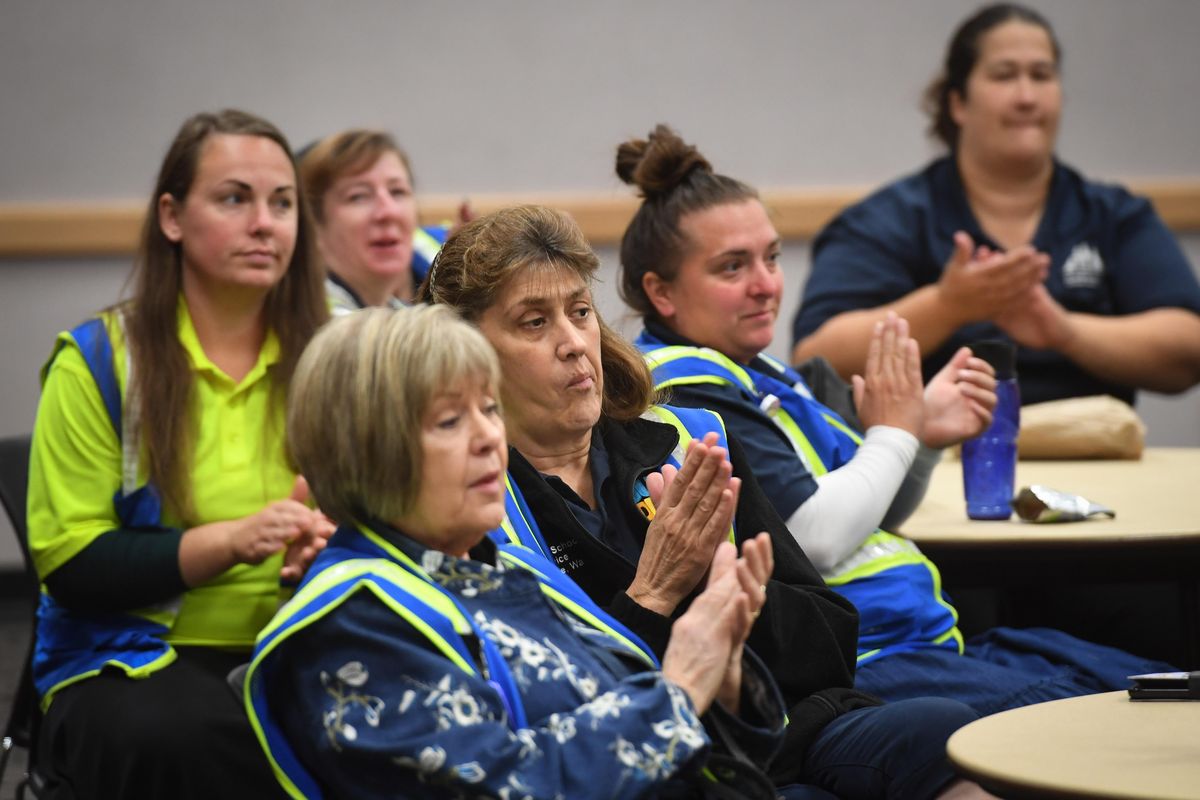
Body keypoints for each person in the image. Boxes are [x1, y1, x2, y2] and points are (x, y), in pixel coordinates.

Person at [420, 206, 991, 800]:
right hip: (653, 766)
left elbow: (830, 645)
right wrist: (657, 593)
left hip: (781, 725)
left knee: (941, 730)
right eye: (534, 323)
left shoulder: (689, 438)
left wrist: (729, 590)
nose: (572, 343)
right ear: (468, 354)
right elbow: (557, 711)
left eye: (580, 311)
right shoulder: (482, 501)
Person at [615, 123, 1176, 717]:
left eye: (773, 258)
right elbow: (815, 537)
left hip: (920, 642)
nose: (766, 285)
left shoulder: (760, 372)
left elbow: (864, 511)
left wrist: (921, 438)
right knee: (1123, 710)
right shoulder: (685, 389)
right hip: (870, 664)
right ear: (663, 293)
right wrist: (896, 432)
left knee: (1155, 680)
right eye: (732, 268)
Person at [246, 304, 792, 800]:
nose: (488, 437)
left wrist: (723, 675)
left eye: (489, 409)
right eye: (450, 421)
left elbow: (676, 744)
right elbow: (502, 785)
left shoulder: (505, 566)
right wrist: (679, 688)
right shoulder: (351, 624)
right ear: (364, 452)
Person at [26, 109, 333, 799]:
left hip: (305, 636)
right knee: (194, 738)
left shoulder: (337, 354)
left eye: (283, 204)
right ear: (171, 216)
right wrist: (230, 540)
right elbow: (74, 566)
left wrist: (332, 546)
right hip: (128, 657)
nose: (265, 223)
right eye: (235, 198)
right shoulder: (100, 361)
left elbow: (400, 518)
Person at [791, 3, 1200, 407]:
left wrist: (1065, 331)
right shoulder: (888, 220)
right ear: (958, 103)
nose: (1027, 96)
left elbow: (1188, 348)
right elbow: (814, 360)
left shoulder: (1114, 215)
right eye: (1004, 75)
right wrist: (946, 306)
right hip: (936, 460)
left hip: (1099, 461)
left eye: (1042, 75)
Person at [299, 129, 468, 314]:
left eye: (397, 191)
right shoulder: (314, 320)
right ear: (313, 224)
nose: (389, 212)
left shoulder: (441, 245)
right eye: (358, 197)